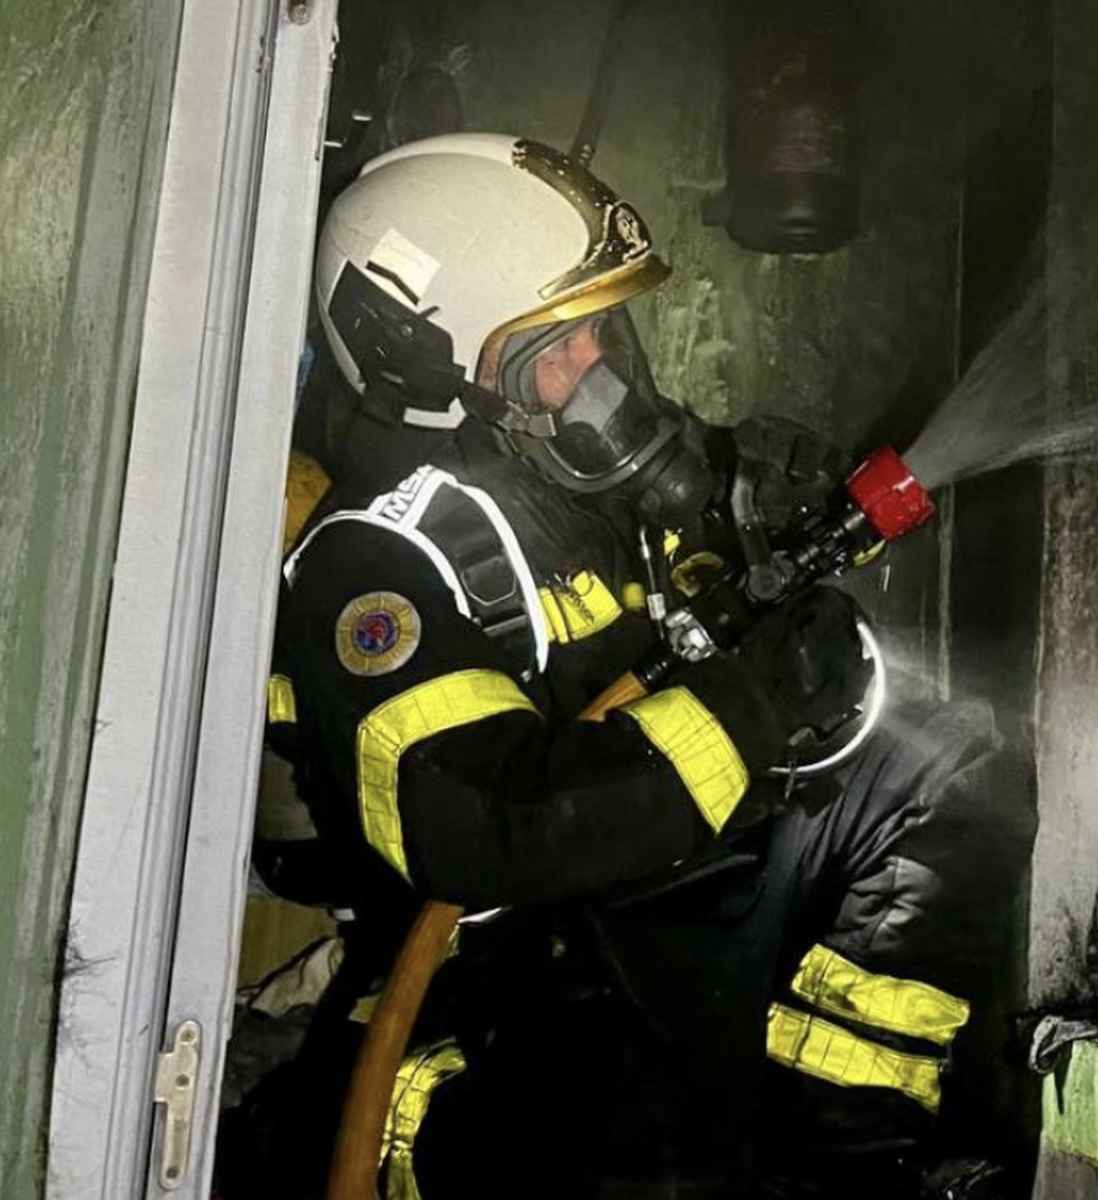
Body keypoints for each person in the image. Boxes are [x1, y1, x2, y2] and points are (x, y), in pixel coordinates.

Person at [219, 132, 1035, 1199]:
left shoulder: (584, 492)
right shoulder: (377, 563)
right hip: (527, 981)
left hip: (676, 907)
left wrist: (772, 511)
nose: (596, 373)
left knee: (950, 768)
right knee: (665, 1161)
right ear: (428, 366)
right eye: (552, 350)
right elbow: (483, 827)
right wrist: (748, 709)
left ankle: (849, 1150)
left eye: (602, 330)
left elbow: (711, 535)